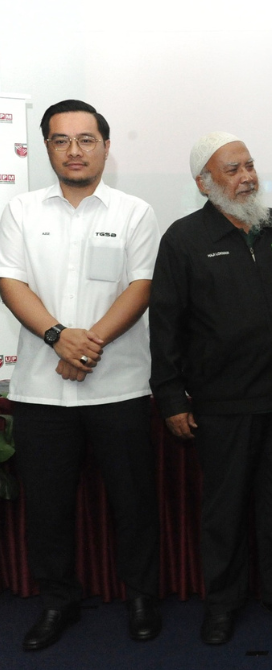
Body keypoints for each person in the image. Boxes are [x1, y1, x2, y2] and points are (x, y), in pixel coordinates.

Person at [148, 132, 272, 645]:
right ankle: (223, 603)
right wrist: (169, 396)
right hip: (221, 406)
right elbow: (165, 326)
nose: (246, 176)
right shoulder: (184, 240)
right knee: (224, 511)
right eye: (232, 169)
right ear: (204, 183)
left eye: (249, 164)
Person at [0, 99, 161, 650]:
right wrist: (57, 337)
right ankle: (57, 601)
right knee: (46, 506)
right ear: (46, 147)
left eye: (86, 139)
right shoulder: (21, 211)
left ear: (105, 146)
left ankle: (142, 597)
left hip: (119, 386)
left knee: (133, 501)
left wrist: (85, 347)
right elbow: (11, 283)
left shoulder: (134, 212)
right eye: (61, 140)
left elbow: (140, 288)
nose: (74, 150)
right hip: (41, 390)